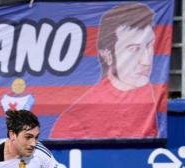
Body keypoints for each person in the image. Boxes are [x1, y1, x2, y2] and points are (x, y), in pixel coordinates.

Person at [51, 2, 165, 139]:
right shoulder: (74, 122)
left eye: (150, 45)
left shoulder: (153, 92)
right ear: (107, 55)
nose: (146, 61)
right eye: (134, 49)